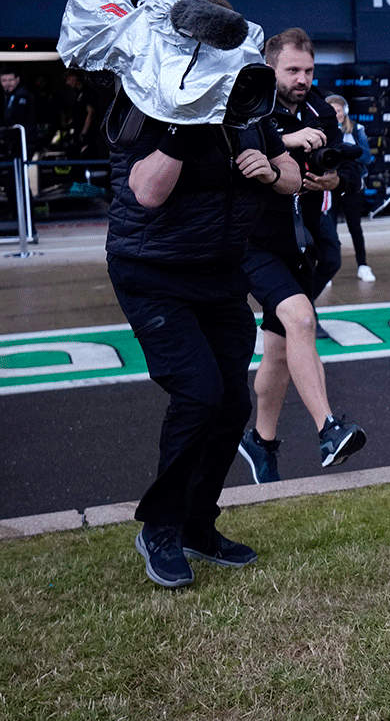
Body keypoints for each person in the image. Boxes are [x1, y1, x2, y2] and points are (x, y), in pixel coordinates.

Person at [106, 54, 301, 587]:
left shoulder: (249, 102)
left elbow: (290, 175)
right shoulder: (154, 103)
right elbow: (147, 191)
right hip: (153, 273)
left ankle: (196, 523)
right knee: (198, 394)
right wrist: (185, 123)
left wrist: (271, 169)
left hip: (220, 274)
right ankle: (161, 527)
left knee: (233, 400)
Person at [238, 27, 367, 484]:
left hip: (299, 244)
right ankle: (329, 430)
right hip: (253, 242)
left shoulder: (319, 111)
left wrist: (336, 181)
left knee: (277, 351)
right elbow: (241, 153)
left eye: (308, 70)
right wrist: (289, 141)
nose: (302, 78)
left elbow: (349, 166)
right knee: (301, 320)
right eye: (292, 70)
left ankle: (262, 441)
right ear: (270, 67)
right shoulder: (249, 107)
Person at [325, 94, 375, 282]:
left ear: (344, 111)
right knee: (328, 228)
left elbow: (367, 157)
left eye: (338, 111)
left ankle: (363, 265)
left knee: (355, 226)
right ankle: (327, 267)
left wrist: (345, 153)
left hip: (352, 184)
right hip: (329, 185)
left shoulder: (356, 129)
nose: (335, 114)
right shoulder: (321, 129)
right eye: (331, 111)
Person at [1, 66, 35, 217]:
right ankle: (19, 219)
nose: (7, 83)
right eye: (4, 80)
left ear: (17, 80)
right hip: (15, 146)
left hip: (25, 144)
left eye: (10, 80)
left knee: (16, 183)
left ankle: (27, 223)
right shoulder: (8, 95)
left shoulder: (22, 95)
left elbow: (16, 119)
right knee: (11, 183)